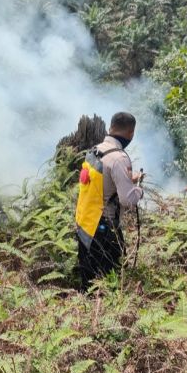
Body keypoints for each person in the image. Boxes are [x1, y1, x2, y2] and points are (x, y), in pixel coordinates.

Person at [75, 112, 144, 290]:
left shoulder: (95, 151)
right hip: (104, 228)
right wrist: (139, 190)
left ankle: (85, 313)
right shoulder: (119, 158)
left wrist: (130, 179)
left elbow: (104, 180)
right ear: (131, 133)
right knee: (109, 279)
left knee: (88, 278)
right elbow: (127, 200)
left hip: (85, 221)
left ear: (110, 127)